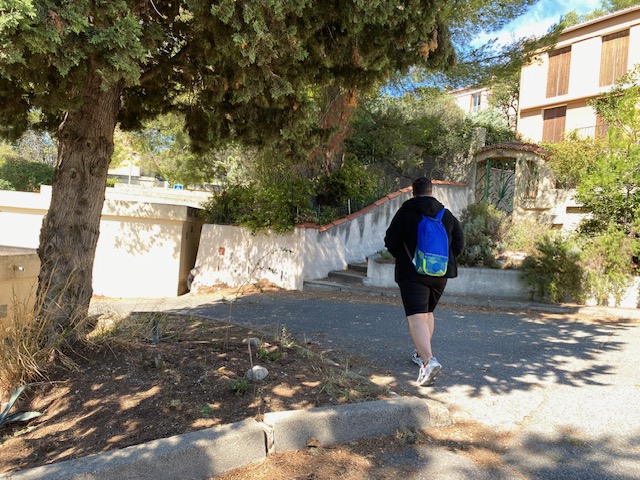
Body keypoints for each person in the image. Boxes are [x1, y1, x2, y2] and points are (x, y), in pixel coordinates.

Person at [384, 177, 464, 386]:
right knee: (427, 313)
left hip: (412, 273)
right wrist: (442, 262)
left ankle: (428, 362)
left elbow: (390, 240)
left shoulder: (406, 212)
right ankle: (422, 354)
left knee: (416, 317)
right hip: (440, 275)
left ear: (413, 193)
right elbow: (458, 243)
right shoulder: (446, 215)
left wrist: (404, 257)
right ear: (431, 191)